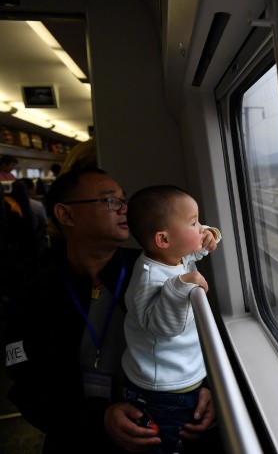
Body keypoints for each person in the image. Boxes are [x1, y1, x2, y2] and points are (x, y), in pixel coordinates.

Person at [3, 168, 220, 454]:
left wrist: (202, 387)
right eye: (109, 200)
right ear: (66, 214)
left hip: (167, 415)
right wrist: (98, 418)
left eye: (123, 199)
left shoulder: (156, 270)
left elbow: (195, 334)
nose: (124, 208)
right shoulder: (33, 293)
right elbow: (27, 386)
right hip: (82, 439)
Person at [122, 185, 222, 454]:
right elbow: (164, 327)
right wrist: (179, 288)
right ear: (163, 240)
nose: (200, 227)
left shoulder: (173, 255)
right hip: (162, 389)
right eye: (194, 222)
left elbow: (195, 248)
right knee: (169, 445)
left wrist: (209, 235)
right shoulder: (149, 277)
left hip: (179, 376)